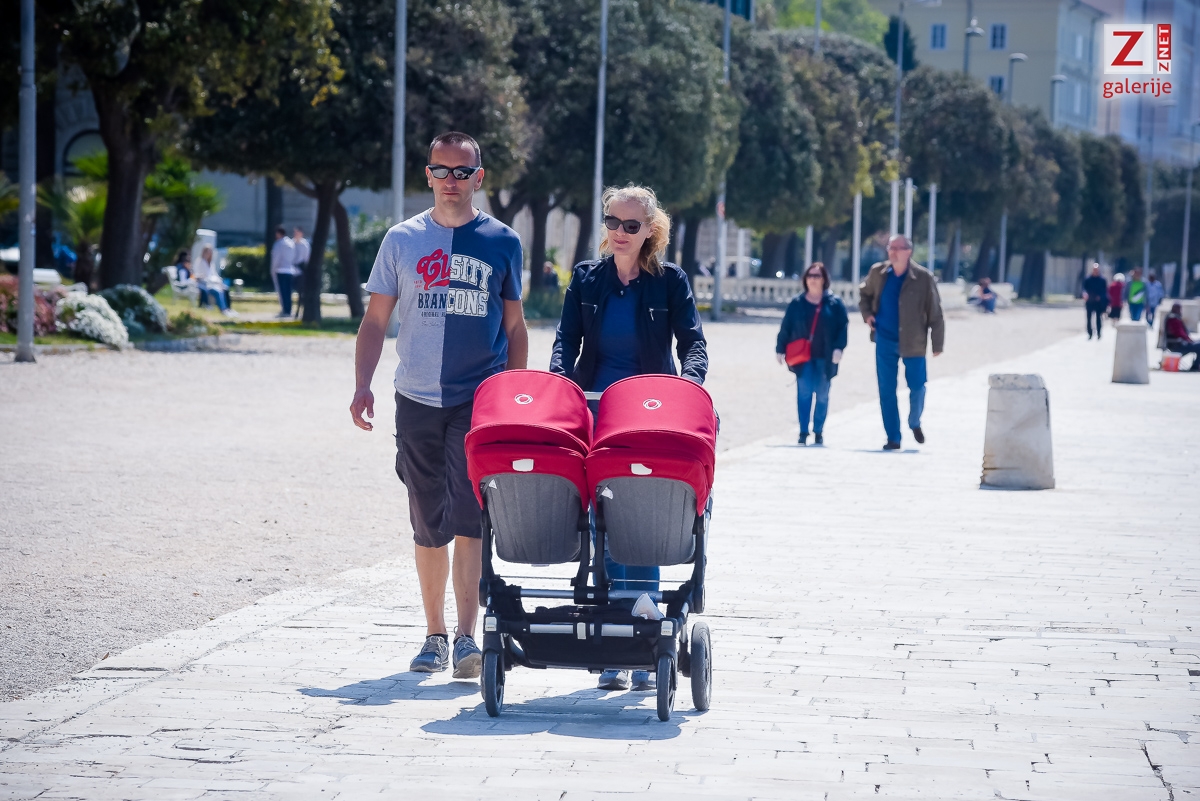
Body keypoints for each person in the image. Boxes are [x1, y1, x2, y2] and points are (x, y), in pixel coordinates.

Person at [351, 131, 529, 680]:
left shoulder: (502, 240)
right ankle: (433, 634)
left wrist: (514, 396)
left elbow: (515, 327)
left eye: (463, 171)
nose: (452, 180)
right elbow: (375, 320)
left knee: (470, 514)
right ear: (427, 175)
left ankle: (466, 637)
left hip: (479, 400)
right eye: (442, 170)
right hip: (417, 398)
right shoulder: (401, 240)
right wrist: (362, 384)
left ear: (479, 177)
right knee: (427, 518)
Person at [551, 184, 707, 692]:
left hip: (647, 414)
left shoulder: (669, 282)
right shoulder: (586, 279)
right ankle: (616, 644)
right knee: (603, 522)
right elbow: (564, 341)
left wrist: (689, 387)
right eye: (612, 222)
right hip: (596, 413)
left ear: (650, 231)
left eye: (631, 225)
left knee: (644, 519)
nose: (619, 232)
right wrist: (561, 383)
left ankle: (645, 642)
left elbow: (693, 343)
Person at [858, 234, 944, 450]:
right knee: (886, 390)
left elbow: (935, 312)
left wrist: (937, 344)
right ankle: (893, 437)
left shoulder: (923, 278)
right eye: (890, 248)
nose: (893, 252)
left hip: (914, 341)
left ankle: (914, 421)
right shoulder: (878, 273)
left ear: (909, 251)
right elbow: (864, 294)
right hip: (884, 339)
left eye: (898, 248)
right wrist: (867, 315)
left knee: (917, 387)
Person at [775, 262, 848, 445]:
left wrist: (839, 348)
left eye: (817, 276)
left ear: (824, 279)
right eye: (810, 276)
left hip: (826, 356)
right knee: (804, 392)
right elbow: (786, 326)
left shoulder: (834, 303)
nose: (813, 280)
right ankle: (803, 431)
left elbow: (842, 328)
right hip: (803, 357)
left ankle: (818, 430)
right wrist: (780, 348)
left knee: (822, 394)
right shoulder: (797, 303)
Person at [193, 245, 235, 315]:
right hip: (204, 284)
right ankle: (223, 309)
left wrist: (219, 281)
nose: (209, 254)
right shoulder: (199, 262)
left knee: (225, 289)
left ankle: (228, 309)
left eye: (210, 252)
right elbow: (196, 274)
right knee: (217, 292)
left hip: (212, 283)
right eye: (208, 252)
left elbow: (214, 274)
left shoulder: (211, 263)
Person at [270, 226, 297, 318]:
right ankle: (288, 309)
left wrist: (272, 269)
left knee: (282, 292)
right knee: (288, 292)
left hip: (281, 270)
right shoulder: (291, 243)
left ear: (278, 233)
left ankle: (285, 309)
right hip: (290, 270)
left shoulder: (278, 244)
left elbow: (276, 258)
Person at [1164, 303, 1200, 370]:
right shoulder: (1173, 319)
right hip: (1177, 345)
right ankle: (1195, 366)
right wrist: (1189, 340)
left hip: (1179, 343)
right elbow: (1179, 333)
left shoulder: (1174, 317)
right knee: (1199, 346)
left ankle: (1196, 365)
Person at [1082, 263, 1108, 340]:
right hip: (1089, 301)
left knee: (1098, 318)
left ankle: (1099, 333)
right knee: (1089, 318)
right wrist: (1085, 294)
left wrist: (1101, 297)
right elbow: (1084, 288)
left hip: (1098, 302)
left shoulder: (1102, 280)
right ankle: (1090, 333)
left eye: (1097, 270)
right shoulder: (1088, 279)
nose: (1095, 271)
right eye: (1094, 270)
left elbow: (1105, 291)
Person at [292, 226, 311, 319]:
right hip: (292, 270)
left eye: (297, 233)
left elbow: (307, 258)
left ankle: (299, 311)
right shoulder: (291, 243)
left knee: (301, 292)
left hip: (301, 271)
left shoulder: (305, 245)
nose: (295, 235)